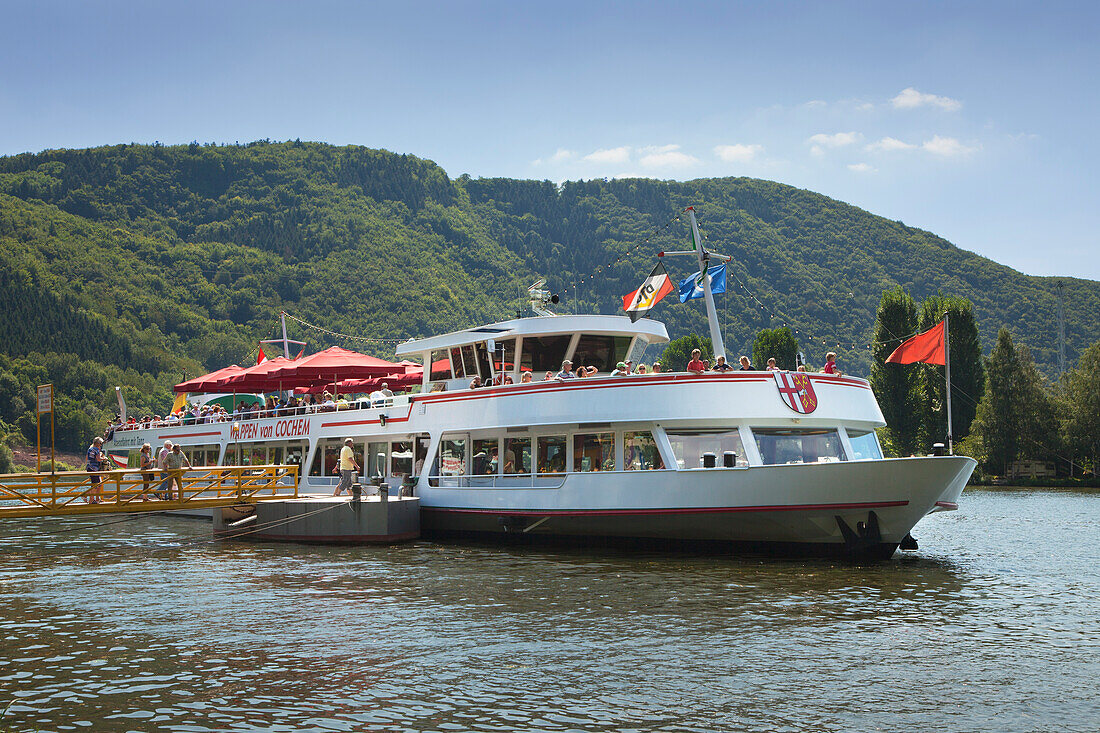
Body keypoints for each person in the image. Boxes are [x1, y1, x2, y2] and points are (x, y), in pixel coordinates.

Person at [84, 436, 107, 504]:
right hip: (94, 468)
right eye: (100, 443)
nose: (101, 445)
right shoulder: (96, 449)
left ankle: (92, 499)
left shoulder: (90, 449)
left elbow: (87, 458)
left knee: (95, 483)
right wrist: (104, 459)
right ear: (97, 443)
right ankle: (91, 500)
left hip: (89, 468)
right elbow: (98, 459)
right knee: (96, 484)